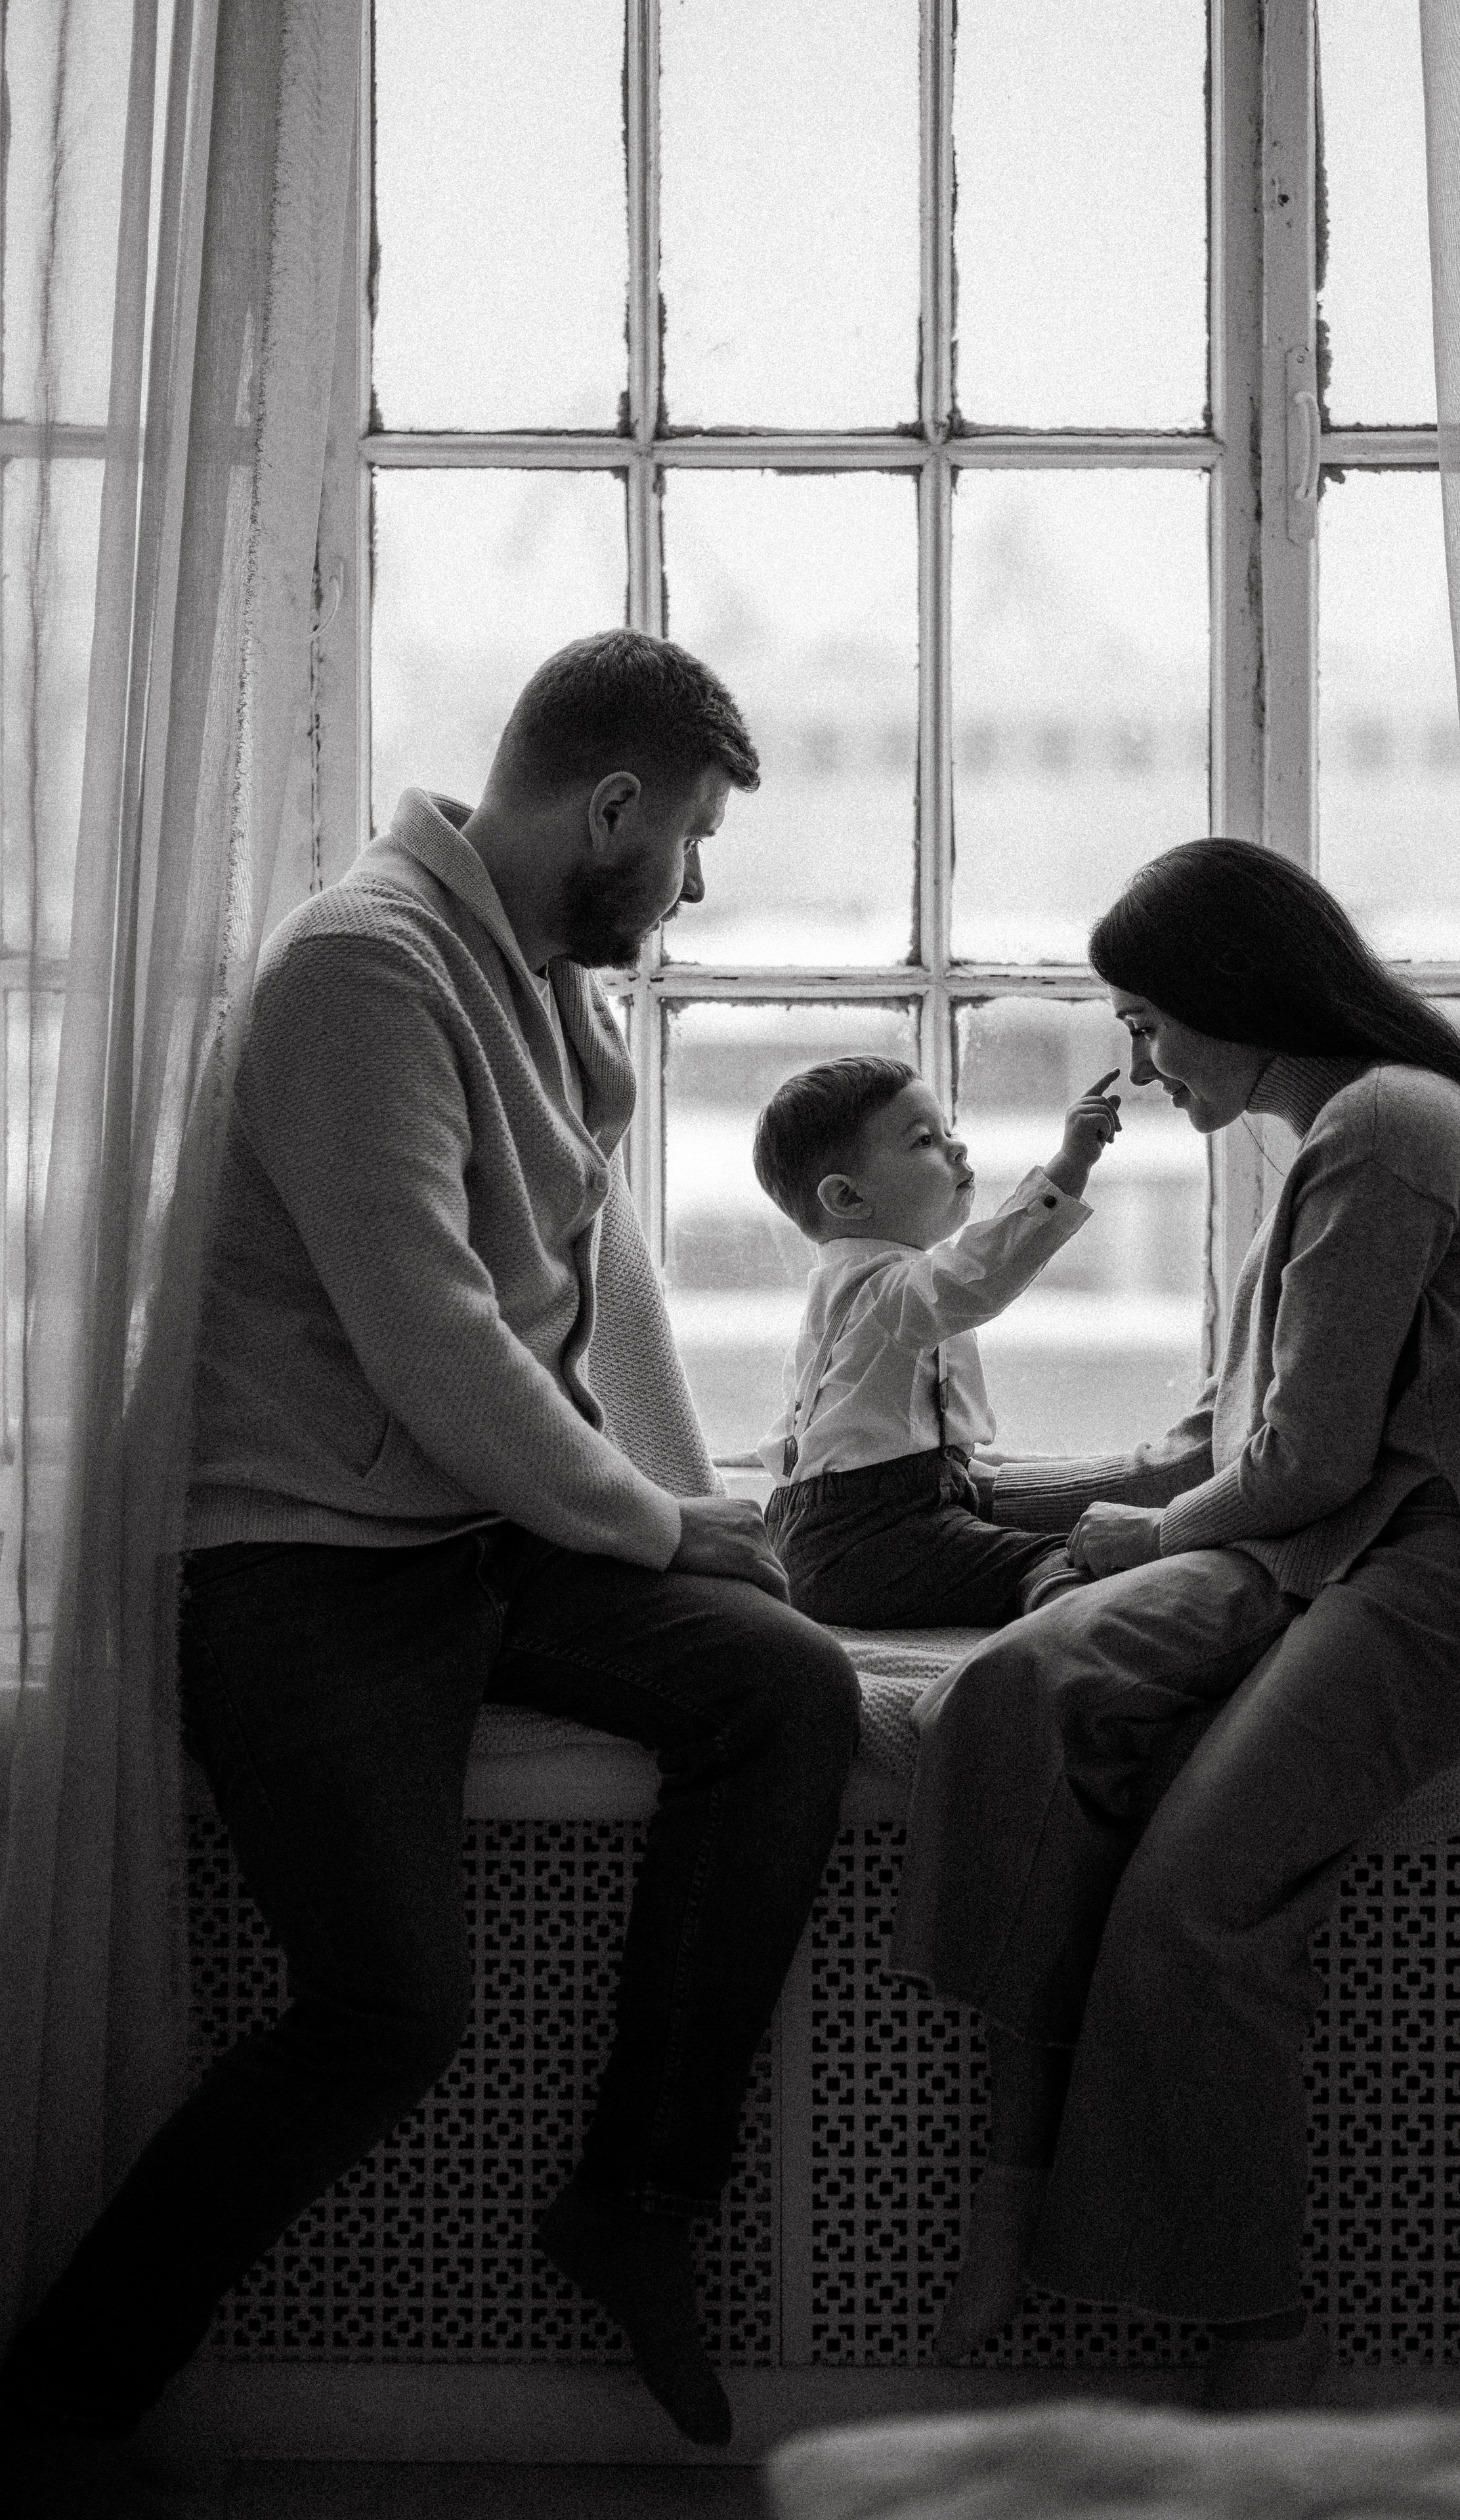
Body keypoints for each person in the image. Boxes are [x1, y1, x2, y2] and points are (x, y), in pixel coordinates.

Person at [0, 631, 861, 2456]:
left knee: (787, 1690)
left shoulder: (532, 974)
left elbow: (585, 1301)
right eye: (691, 840)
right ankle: (56, 2410)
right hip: (292, 1563)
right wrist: (653, 1527)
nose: (693, 888)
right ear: (611, 803)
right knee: (382, 2013)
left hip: (468, 1531)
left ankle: (634, 2199)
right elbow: (436, 1335)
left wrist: (692, 1514)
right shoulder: (361, 968)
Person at [889, 839, 1460, 2406]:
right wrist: (990, 1491)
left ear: (1231, 993)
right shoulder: (1336, 1142)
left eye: (1148, 1024)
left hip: (1456, 1569)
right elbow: (1235, 1438)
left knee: (1191, 1894)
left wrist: (1133, 1531)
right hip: (1347, 1544)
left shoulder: (1385, 1126)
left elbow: (1299, 1462)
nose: (1137, 1068)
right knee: (1018, 1695)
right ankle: (1014, 2173)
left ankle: (1260, 2331)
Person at [752, 1056, 1122, 1627]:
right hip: (867, 1532)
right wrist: (1070, 1167)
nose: (958, 1149)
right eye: (925, 1140)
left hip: (849, 1524)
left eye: (948, 1131)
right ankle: (1072, 1635)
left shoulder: (857, 1285)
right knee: (1050, 1560)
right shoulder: (885, 1289)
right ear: (848, 1199)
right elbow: (984, 1270)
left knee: (1036, 1538)